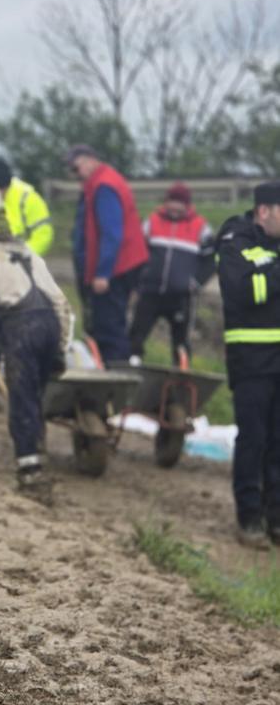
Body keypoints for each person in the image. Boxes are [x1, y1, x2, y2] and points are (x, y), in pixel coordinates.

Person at [0, 208, 72, 492]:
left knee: (21, 398)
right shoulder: (29, 253)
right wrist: (61, 347)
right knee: (37, 394)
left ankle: (29, 469)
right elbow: (60, 301)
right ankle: (38, 447)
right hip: (50, 324)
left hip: (21, 327)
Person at [216, 181, 280, 548]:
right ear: (264, 211)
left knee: (278, 443)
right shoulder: (234, 240)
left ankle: (277, 519)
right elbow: (244, 292)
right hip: (252, 361)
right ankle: (250, 519)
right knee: (253, 441)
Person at [67, 144, 148, 364]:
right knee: (109, 325)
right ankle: (114, 373)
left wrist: (103, 273)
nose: (76, 176)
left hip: (115, 269)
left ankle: (116, 376)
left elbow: (111, 233)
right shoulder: (101, 182)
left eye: (77, 168)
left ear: (91, 160)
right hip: (119, 266)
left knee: (109, 328)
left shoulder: (104, 186)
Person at [129, 182, 215, 365]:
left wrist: (196, 283)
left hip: (181, 296)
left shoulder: (201, 226)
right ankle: (132, 368)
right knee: (135, 335)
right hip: (150, 292)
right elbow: (136, 252)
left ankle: (180, 381)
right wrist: (138, 280)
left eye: (180, 203)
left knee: (181, 343)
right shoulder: (151, 221)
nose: (175, 207)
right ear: (166, 202)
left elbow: (211, 259)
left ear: (187, 205)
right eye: (172, 202)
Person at [0, 157, 54, 257]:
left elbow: (43, 235)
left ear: (7, 185)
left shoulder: (29, 198)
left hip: (23, 264)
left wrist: (22, 255)